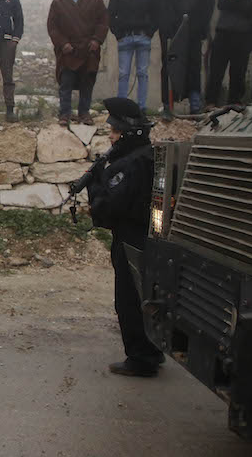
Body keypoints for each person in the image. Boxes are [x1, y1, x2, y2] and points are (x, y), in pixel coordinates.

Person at [86, 97, 163, 377]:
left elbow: (109, 206)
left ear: (128, 134)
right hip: (146, 235)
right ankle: (152, 350)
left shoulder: (130, 163)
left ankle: (141, 358)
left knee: (129, 299)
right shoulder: (144, 155)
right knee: (146, 294)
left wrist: (94, 184)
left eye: (116, 131)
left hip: (132, 237)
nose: (111, 135)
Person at [47, 0, 108, 126]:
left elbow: (103, 21)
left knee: (87, 83)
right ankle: (65, 114)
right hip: (68, 51)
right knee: (66, 83)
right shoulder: (58, 2)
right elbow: (53, 27)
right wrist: (63, 44)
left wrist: (96, 40)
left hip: (89, 49)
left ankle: (84, 113)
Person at [159, 0, 214, 118]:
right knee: (170, 67)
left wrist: (199, 28)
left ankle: (195, 103)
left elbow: (208, 9)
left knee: (194, 66)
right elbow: (165, 10)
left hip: (194, 34)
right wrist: (170, 31)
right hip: (174, 36)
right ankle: (168, 105)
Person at [107, 0, 160, 113]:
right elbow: (111, 14)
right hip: (125, 37)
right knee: (124, 73)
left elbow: (157, 13)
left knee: (142, 73)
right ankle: (122, 107)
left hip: (143, 36)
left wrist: (149, 32)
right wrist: (118, 34)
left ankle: (141, 107)